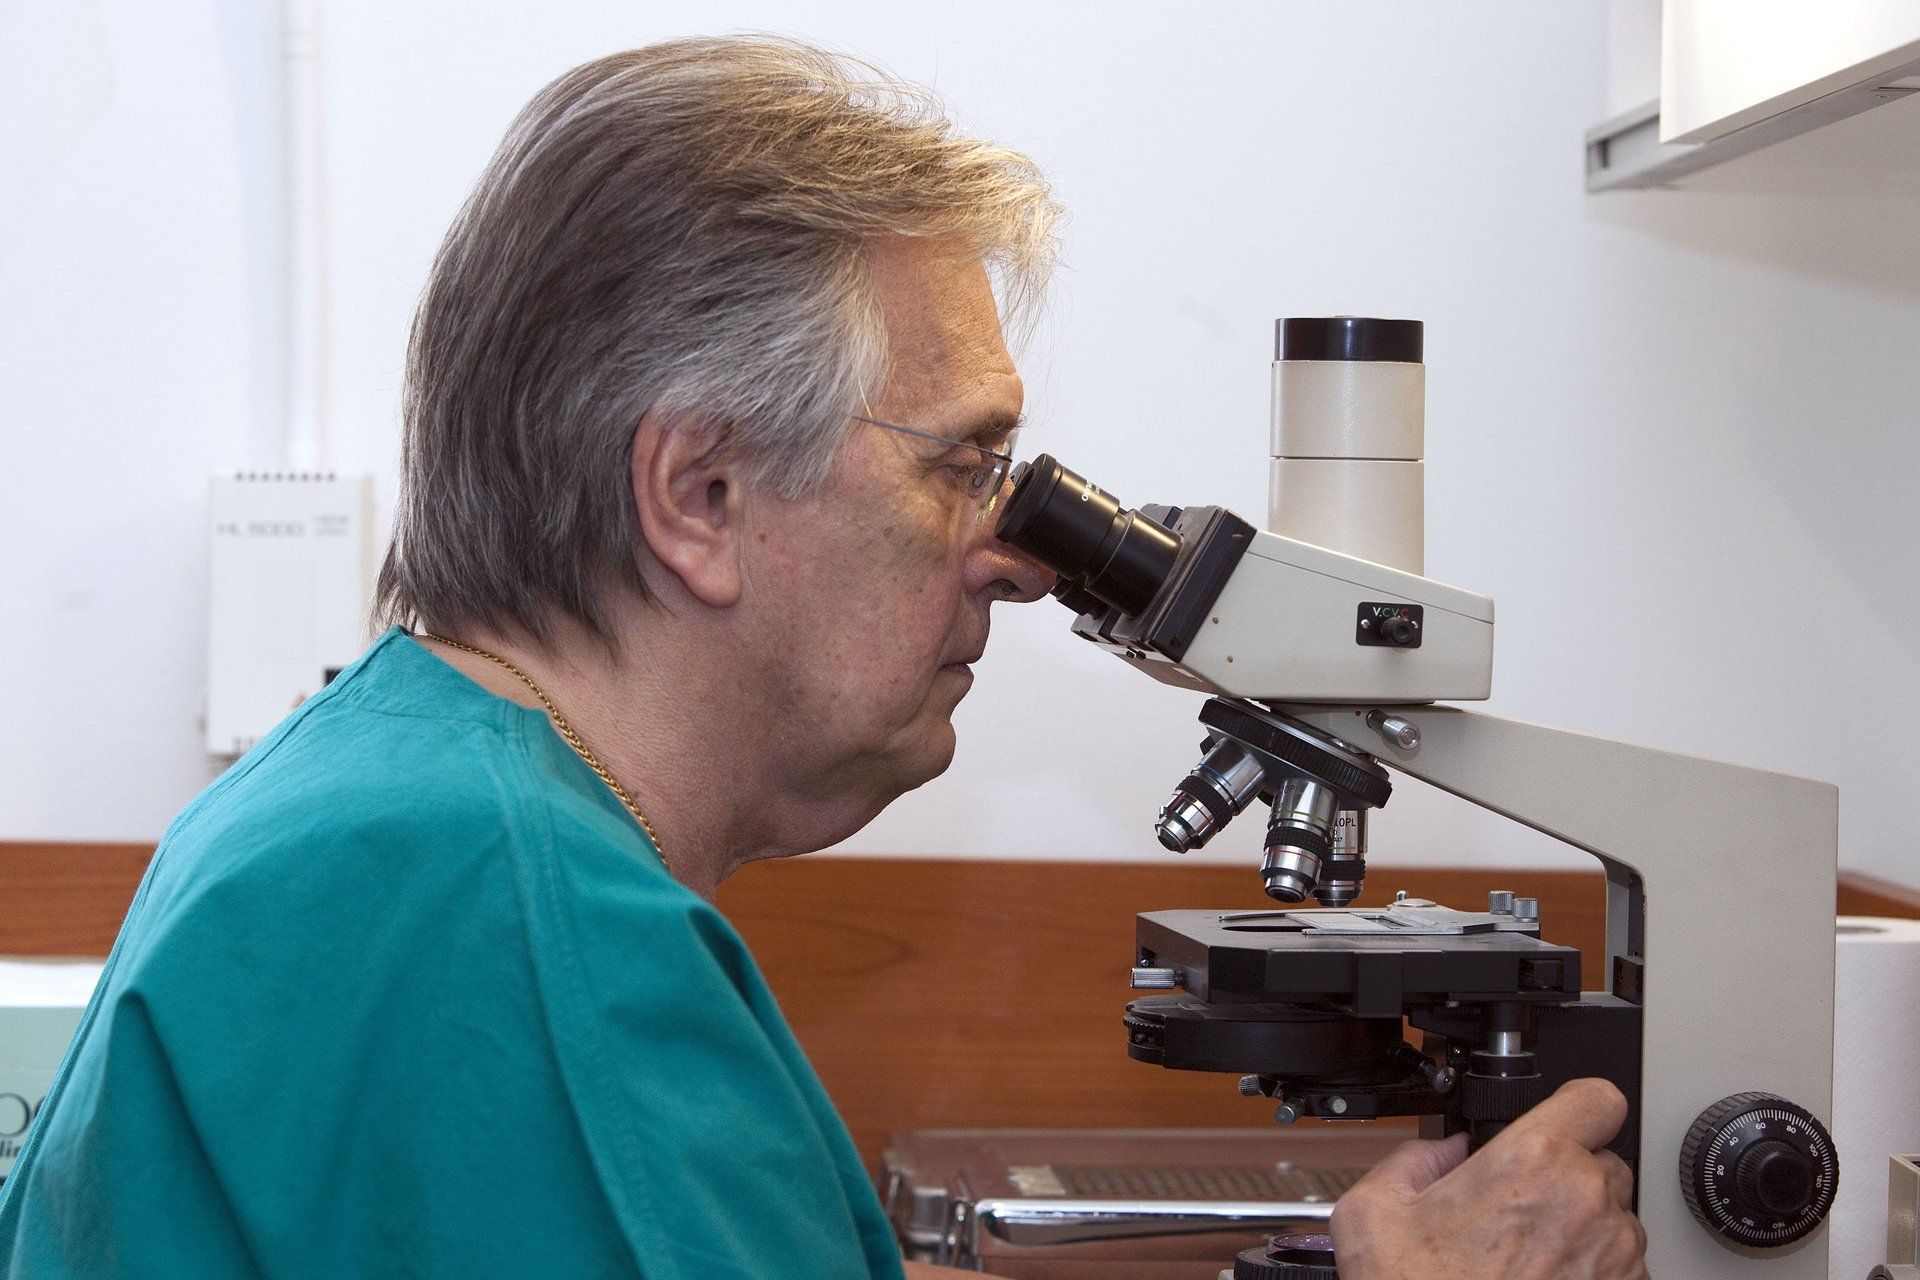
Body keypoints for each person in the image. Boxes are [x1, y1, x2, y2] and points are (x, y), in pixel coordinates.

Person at [0, 36, 1645, 1280]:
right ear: (701, 496)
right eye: (962, 464)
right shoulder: (511, 918)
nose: (1018, 555)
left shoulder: (400, 797)